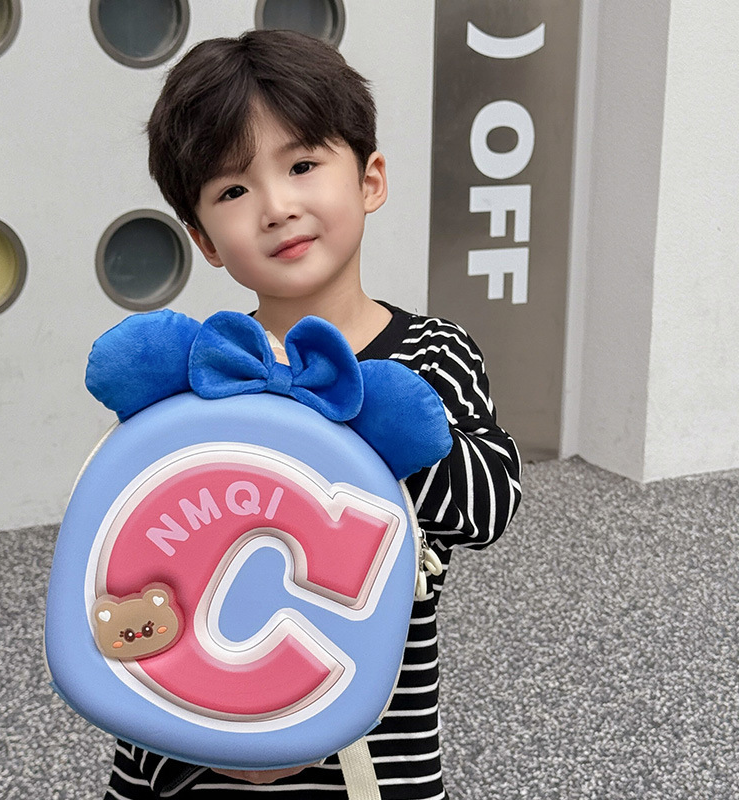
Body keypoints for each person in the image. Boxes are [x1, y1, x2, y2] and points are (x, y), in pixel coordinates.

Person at [104, 28, 521, 800]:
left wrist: (377, 420)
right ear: (204, 240)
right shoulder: (204, 372)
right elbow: (137, 551)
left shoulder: (433, 354)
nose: (277, 207)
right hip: (194, 737)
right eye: (232, 191)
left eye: (301, 166)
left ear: (369, 180)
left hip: (376, 755)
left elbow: (490, 506)